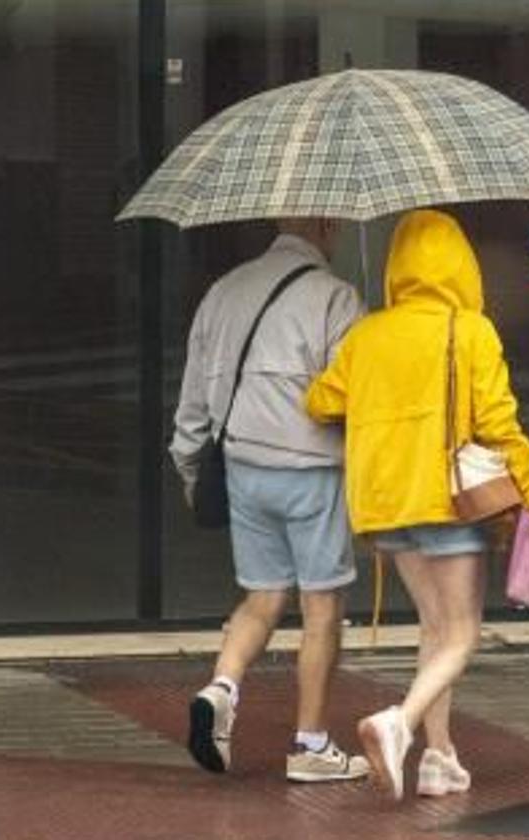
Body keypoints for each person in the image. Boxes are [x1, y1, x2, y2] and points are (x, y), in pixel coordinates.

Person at [305, 209, 529, 800]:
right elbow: (498, 421)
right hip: (449, 502)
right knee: (463, 633)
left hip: (389, 508)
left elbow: (320, 401)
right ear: (461, 264)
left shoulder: (368, 333)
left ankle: (441, 759)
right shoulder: (470, 329)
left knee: (433, 629)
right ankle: (401, 724)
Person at [170, 218, 370, 784]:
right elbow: (351, 396)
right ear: (326, 228)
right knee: (322, 607)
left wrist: (190, 470)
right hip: (310, 473)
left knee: (261, 596)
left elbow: (192, 401)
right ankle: (310, 744)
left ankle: (222, 686)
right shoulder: (336, 297)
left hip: (243, 468)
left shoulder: (223, 290)